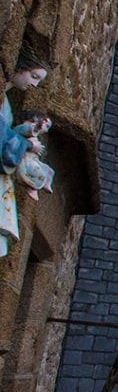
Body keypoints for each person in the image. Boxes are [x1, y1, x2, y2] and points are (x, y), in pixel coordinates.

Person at [1, 47, 49, 258]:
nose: (34, 84)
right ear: (20, 67)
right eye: (34, 76)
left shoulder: (7, 104)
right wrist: (26, 144)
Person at [13, 110, 53, 199]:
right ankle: (32, 188)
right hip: (25, 159)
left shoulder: (33, 134)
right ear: (35, 119)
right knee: (39, 174)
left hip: (32, 158)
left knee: (50, 171)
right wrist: (32, 145)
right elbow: (20, 133)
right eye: (46, 126)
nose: (46, 131)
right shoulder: (25, 128)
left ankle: (45, 184)